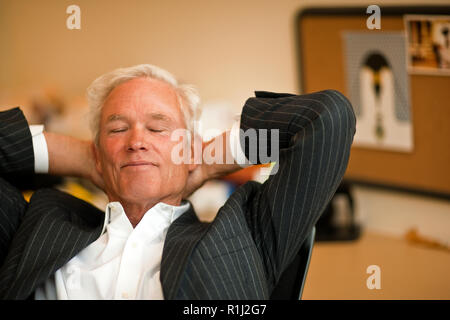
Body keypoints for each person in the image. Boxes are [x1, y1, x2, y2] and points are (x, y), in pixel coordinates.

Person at [0, 64, 356, 300]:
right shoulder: (35, 226)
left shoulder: (246, 232)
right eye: (117, 129)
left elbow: (328, 118)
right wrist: (77, 154)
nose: (137, 140)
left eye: (158, 128)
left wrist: (209, 159)